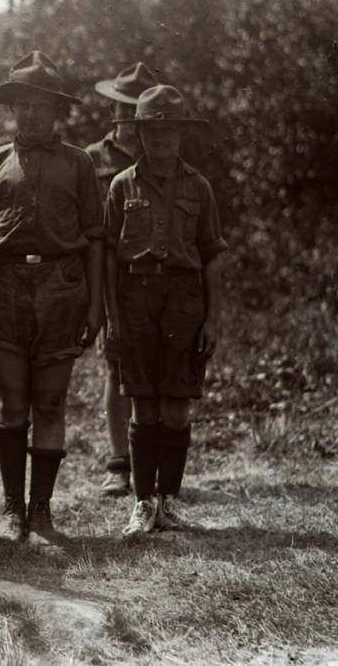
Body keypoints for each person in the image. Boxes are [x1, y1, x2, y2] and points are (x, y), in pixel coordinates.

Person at [0, 51, 104, 551]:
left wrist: (95, 305)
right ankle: (11, 509)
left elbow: (93, 238)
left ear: (58, 111)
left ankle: (42, 512)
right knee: (12, 401)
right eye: (23, 104)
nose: (32, 114)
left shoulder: (80, 164)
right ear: (12, 109)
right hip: (4, 289)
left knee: (50, 400)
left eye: (43, 104)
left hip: (63, 290)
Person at [104, 85, 226, 538]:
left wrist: (212, 319)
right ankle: (141, 503)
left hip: (183, 300)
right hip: (135, 297)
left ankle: (169, 501)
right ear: (139, 135)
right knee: (142, 401)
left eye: (169, 131)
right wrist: (112, 314)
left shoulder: (199, 187)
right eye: (152, 132)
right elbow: (107, 258)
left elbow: (211, 254)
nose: (160, 140)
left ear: (181, 135)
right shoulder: (121, 186)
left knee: (175, 405)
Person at [87, 62, 159, 497]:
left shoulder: (160, 159)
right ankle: (119, 463)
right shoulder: (92, 158)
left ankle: (151, 460)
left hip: (152, 278)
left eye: (138, 110)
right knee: (115, 368)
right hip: (110, 276)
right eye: (123, 107)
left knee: (153, 370)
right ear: (113, 109)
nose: (129, 118)